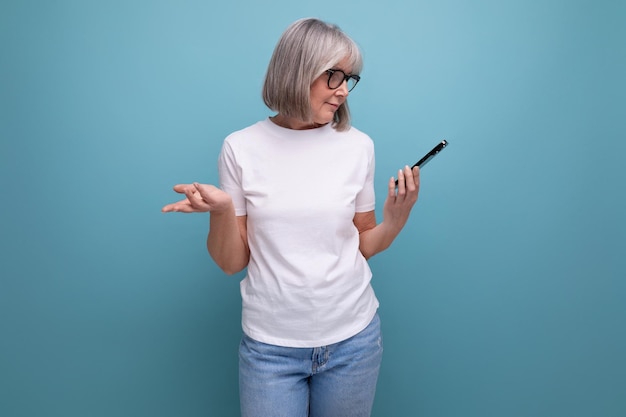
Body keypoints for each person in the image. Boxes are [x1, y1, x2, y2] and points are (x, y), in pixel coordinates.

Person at [162, 17, 420, 417]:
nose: (342, 91)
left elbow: (364, 243)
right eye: (333, 76)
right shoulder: (240, 148)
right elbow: (231, 263)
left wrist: (396, 220)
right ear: (297, 70)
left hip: (354, 341)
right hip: (271, 350)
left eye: (349, 78)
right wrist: (222, 210)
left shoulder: (358, 146)